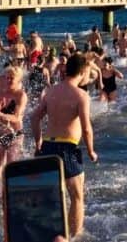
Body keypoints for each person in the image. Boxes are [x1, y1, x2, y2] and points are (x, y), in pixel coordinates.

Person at [32, 52, 98, 238]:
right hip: (67, 150)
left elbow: (34, 117)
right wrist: (91, 151)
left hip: (47, 148)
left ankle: (48, 233)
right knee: (76, 197)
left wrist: (38, 142)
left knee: (52, 195)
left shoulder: (51, 90)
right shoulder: (81, 95)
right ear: (83, 71)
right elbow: (87, 129)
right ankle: (70, 238)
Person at [0, 65, 27, 197]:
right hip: (0, 134)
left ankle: (13, 196)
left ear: (18, 79)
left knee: (10, 171)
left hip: (15, 136)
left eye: (11, 78)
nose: (7, 81)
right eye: (6, 78)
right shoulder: (2, 92)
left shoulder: (21, 95)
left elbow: (16, 118)